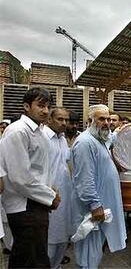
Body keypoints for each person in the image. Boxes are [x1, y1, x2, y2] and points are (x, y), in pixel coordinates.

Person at [0, 87, 60, 268]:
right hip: (24, 206)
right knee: (34, 260)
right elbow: (20, 178)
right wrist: (50, 197)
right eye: (40, 105)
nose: (45, 111)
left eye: (48, 106)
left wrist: (50, 189)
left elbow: (40, 169)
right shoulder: (18, 131)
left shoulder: (39, 132)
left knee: (26, 259)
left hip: (35, 203)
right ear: (26, 106)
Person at [71, 104, 127, 268]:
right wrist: (95, 205)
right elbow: (84, 179)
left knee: (95, 252)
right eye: (101, 119)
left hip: (103, 206)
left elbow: (112, 137)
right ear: (89, 121)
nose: (107, 122)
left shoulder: (100, 139)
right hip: (92, 208)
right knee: (89, 252)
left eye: (109, 119)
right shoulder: (85, 143)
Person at [44, 107, 73, 269]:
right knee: (49, 239)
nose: (64, 123)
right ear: (49, 120)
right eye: (60, 119)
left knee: (62, 237)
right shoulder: (43, 138)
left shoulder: (62, 139)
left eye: (66, 120)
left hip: (65, 195)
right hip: (49, 196)